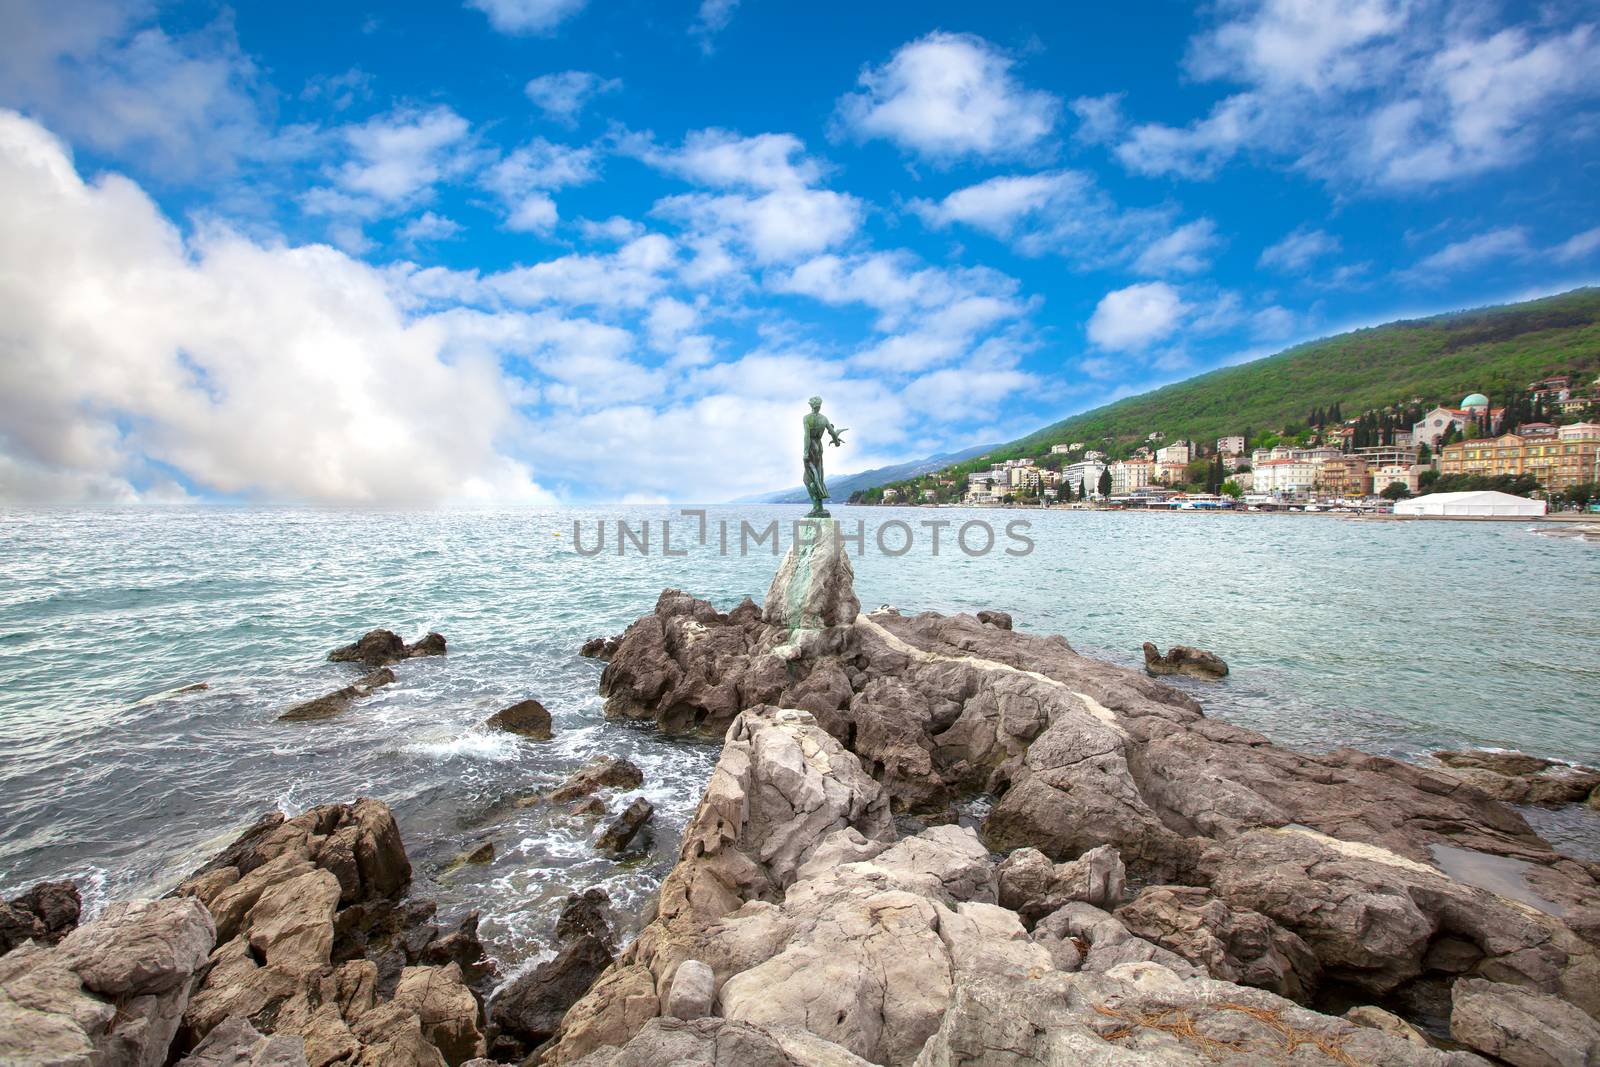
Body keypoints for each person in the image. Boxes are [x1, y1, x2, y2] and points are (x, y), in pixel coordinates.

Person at [802, 396, 846, 518]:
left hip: (811, 447)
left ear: (811, 405)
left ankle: (817, 507)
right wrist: (836, 441)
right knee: (818, 476)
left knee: (808, 478)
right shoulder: (824, 419)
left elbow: (807, 436)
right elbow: (832, 433)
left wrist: (805, 452)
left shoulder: (807, 418)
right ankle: (819, 507)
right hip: (819, 448)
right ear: (819, 405)